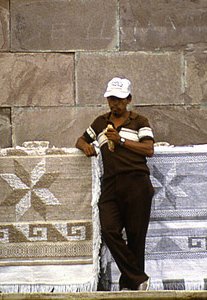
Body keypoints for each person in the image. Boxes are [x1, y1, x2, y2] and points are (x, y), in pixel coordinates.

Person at [75, 77, 155, 291]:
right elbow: (81, 139)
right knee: (109, 230)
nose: (114, 104)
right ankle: (138, 278)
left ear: (128, 99)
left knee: (136, 238)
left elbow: (148, 149)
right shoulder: (100, 122)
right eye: (111, 99)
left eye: (119, 99)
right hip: (110, 184)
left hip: (137, 182)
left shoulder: (139, 121)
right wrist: (85, 147)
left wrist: (120, 140)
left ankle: (129, 286)